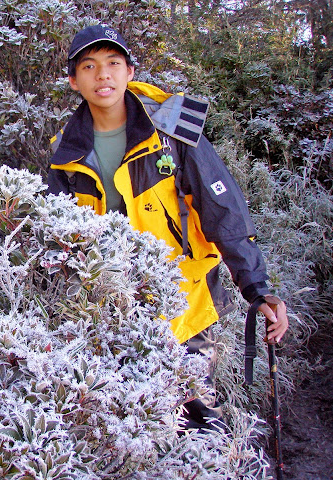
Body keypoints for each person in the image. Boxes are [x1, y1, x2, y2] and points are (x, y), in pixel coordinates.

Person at [47, 24, 289, 430]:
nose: (102, 75)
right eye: (88, 66)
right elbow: (55, 235)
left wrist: (257, 289)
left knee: (197, 418)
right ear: (74, 80)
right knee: (131, 424)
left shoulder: (172, 133)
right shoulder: (65, 151)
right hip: (113, 310)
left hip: (186, 304)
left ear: (129, 72)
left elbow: (223, 211)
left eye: (113, 63)